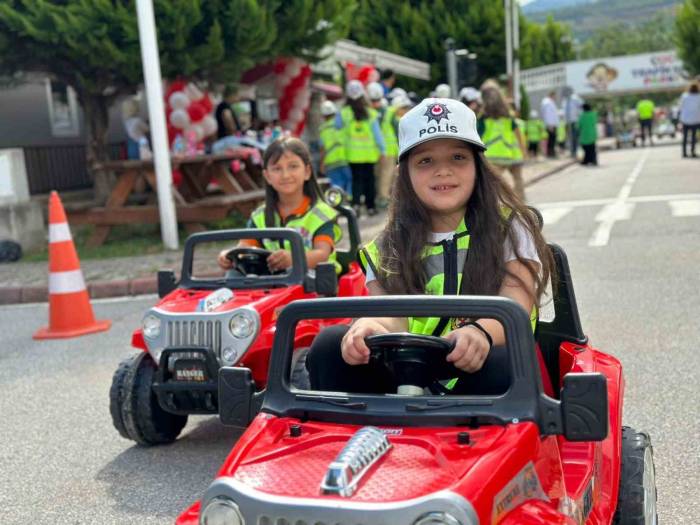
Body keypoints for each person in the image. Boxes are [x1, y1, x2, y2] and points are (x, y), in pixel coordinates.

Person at [306, 97, 553, 396]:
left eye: (458, 158)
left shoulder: (510, 226)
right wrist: (372, 326)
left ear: (478, 164)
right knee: (330, 345)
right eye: (425, 161)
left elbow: (517, 299)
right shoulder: (386, 245)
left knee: (502, 359)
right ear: (405, 173)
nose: (443, 171)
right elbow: (391, 313)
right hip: (410, 367)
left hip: (485, 360)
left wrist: (481, 332)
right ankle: (351, 436)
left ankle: (479, 439)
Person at [217, 137, 341, 273]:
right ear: (267, 176)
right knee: (234, 274)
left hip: (318, 284)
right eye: (277, 169)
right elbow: (243, 248)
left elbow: (322, 254)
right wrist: (228, 256)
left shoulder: (321, 214)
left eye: (293, 166)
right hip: (274, 283)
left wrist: (294, 259)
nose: (285, 175)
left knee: (292, 272)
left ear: (307, 172)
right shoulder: (260, 217)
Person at [341, 80, 386, 217]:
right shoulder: (371, 113)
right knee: (369, 180)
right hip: (369, 154)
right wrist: (382, 150)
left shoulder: (344, 113)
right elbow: (377, 134)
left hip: (352, 155)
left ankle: (355, 205)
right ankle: (370, 207)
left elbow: (338, 130)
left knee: (356, 180)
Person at [478, 87, 527, 199]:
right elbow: (518, 133)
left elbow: (478, 136)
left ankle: (496, 205)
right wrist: (523, 150)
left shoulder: (483, 117)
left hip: (492, 156)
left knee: (493, 183)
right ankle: (521, 204)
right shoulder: (509, 116)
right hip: (511, 154)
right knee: (518, 179)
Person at [376, 95, 412, 208]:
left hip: (381, 150)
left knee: (383, 176)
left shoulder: (386, 114)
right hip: (388, 151)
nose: (406, 111)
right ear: (399, 107)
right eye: (405, 108)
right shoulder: (395, 118)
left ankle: (383, 198)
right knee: (386, 176)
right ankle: (383, 199)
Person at [319, 100, 352, 196]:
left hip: (331, 162)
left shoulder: (322, 129)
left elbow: (322, 148)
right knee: (349, 181)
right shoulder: (341, 125)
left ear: (323, 116)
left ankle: (338, 203)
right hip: (344, 159)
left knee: (336, 184)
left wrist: (322, 165)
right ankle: (349, 200)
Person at [679, 82, 700, 158]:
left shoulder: (684, 96)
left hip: (685, 119)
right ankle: (693, 152)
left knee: (685, 137)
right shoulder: (699, 96)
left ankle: (684, 153)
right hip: (696, 119)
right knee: (694, 137)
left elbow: (680, 107)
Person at [562, 89, 583, 158]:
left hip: (575, 121)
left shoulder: (575, 99)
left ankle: (574, 151)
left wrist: (579, 117)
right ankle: (572, 151)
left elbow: (581, 107)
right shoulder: (565, 100)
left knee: (575, 137)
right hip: (568, 122)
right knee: (570, 137)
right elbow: (564, 111)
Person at [540, 91, 559, 158]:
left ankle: (551, 153)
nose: (555, 97)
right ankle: (550, 153)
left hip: (551, 124)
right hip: (551, 125)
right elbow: (548, 115)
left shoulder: (549, 102)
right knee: (551, 139)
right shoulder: (548, 103)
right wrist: (550, 125)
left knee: (552, 139)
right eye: (554, 96)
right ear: (552, 95)